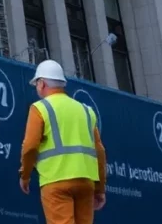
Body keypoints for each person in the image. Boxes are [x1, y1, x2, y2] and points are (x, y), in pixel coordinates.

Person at [18, 60, 107, 224]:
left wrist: (25, 175)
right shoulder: (86, 111)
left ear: (42, 83)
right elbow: (100, 152)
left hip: (55, 181)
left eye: (37, 83)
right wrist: (100, 188)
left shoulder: (39, 108)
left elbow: (30, 147)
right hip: (86, 181)